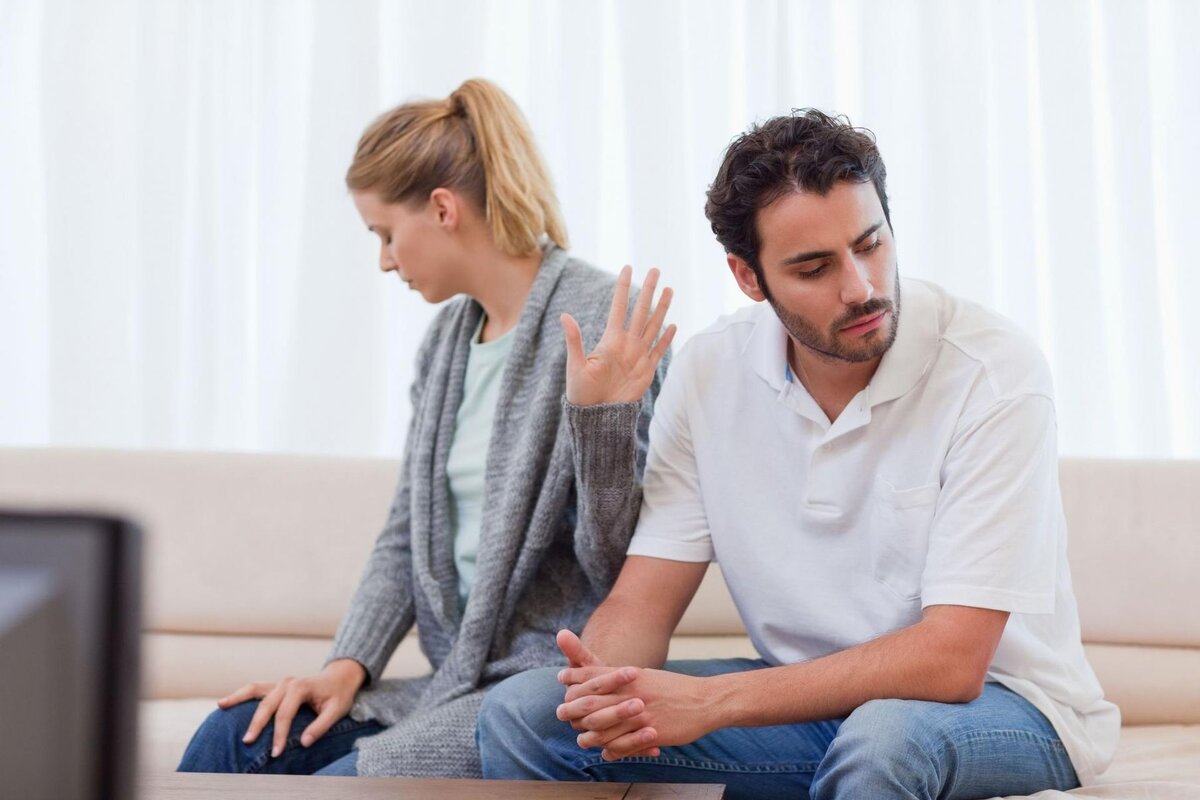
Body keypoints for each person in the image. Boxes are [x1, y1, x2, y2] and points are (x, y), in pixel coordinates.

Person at [476, 109, 1120, 799]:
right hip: (808, 703)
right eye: (814, 267)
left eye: (871, 244)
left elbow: (953, 660)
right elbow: (643, 599)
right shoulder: (710, 373)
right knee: (529, 714)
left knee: (884, 741)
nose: (861, 288)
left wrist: (715, 703)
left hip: (1007, 705)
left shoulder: (992, 371)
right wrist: (602, 685)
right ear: (748, 277)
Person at [177, 78, 675, 779]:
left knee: (340, 784)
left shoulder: (602, 321)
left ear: (443, 209)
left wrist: (600, 422)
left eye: (385, 234)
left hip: (530, 692)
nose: (384, 259)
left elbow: (620, 565)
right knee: (235, 736)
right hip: (446, 686)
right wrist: (346, 666)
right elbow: (406, 531)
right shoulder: (446, 342)